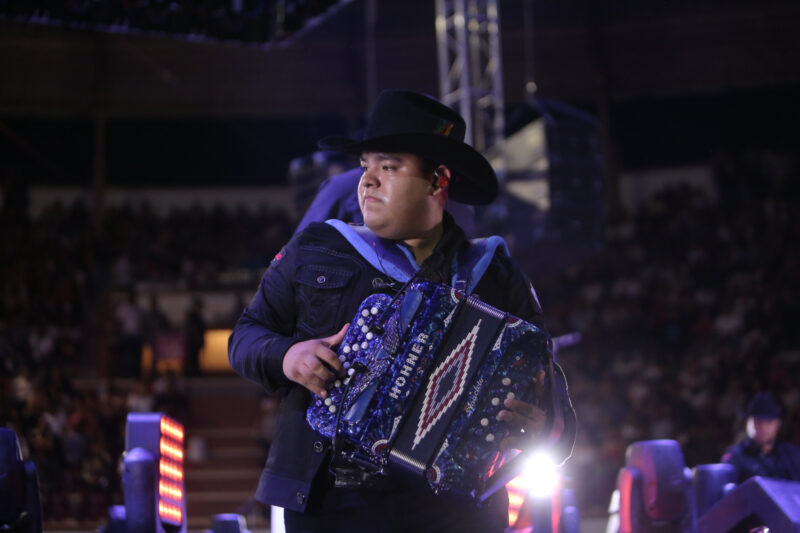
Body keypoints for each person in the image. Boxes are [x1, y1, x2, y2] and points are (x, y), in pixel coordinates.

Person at [228, 89, 576, 533]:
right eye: (365, 166)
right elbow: (245, 336)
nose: (367, 181)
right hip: (331, 504)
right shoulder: (316, 247)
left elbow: (550, 395)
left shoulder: (494, 270)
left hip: (455, 513)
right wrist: (288, 357)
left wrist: (543, 427)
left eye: (389, 167)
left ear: (437, 181)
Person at [722, 391, 800, 483]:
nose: (763, 427)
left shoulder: (791, 455)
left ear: (778, 423)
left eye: (769, 421)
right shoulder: (736, 455)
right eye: (758, 421)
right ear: (749, 423)